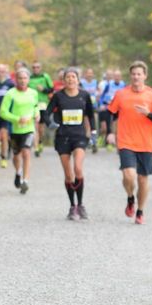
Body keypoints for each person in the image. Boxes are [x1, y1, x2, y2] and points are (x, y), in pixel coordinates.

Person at [107, 61, 152, 225]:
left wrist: (148, 114)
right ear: (130, 76)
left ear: (145, 76)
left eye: (139, 74)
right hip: (126, 141)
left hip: (146, 143)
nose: (136, 77)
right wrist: (110, 133)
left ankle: (140, 211)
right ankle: (130, 197)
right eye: (133, 74)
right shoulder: (121, 94)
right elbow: (111, 113)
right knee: (129, 175)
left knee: (142, 180)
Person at [45, 68, 96, 220]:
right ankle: (72, 206)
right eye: (68, 77)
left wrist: (93, 132)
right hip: (63, 137)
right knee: (68, 175)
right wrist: (50, 123)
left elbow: (90, 115)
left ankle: (80, 205)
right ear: (64, 80)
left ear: (78, 79)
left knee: (78, 168)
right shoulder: (58, 96)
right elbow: (46, 113)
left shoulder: (84, 95)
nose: (70, 80)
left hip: (79, 136)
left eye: (73, 77)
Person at [0, 68, 40, 194]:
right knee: (16, 156)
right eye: (20, 78)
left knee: (26, 153)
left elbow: (35, 106)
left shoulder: (33, 93)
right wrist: (17, 119)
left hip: (29, 129)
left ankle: (25, 181)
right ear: (16, 80)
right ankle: (18, 172)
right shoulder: (10, 93)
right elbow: (2, 112)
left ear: (28, 80)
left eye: (25, 78)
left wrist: (37, 114)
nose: (22, 81)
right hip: (15, 129)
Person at [29, 61, 55, 157]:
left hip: (42, 104)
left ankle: (40, 142)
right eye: (34, 67)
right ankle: (36, 148)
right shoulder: (29, 78)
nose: (36, 69)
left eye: (37, 67)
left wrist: (43, 89)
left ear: (40, 68)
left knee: (41, 128)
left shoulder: (45, 76)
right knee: (34, 127)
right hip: (31, 105)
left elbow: (52, 89)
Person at [98, 69, 125, 148]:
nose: (117, 77)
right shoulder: (109, 84)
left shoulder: (123, 85)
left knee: (115, 126)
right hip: (108, 107)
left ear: (121, 77)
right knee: (105, 127)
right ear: (113, 77)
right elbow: (102, 96)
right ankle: (102, 138)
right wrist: (101, 104)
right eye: (116, 76)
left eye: (119, 76)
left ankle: (111, 143)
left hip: (118, 108)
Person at [80, 68, 101, 152]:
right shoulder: (82, 83)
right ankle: (89, 140)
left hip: (94, 106)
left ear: (93, 74)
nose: (89, 75)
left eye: (91, 73)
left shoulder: (96, 82)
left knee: (94, 123)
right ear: (85, 74)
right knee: (87, 124)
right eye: (88, 73)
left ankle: (93, 141)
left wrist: (97, 97)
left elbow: (99, 93)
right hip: (85, 106)